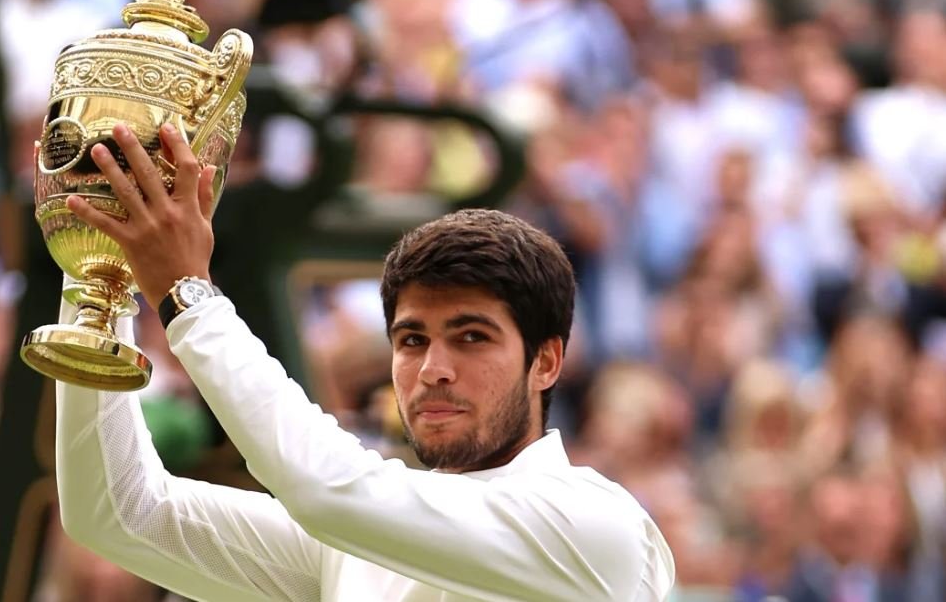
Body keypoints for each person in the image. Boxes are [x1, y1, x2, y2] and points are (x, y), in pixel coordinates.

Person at [55, 122, 676, 601]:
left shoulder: (594, 523)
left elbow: (328, 491)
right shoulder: (358, 541)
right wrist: (96, 273)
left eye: (472, 337)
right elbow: (117, 512)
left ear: (546, 362)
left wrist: (188, 294)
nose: (433, 368)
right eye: (411, 340)